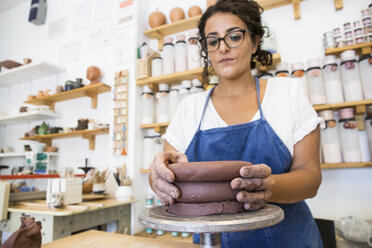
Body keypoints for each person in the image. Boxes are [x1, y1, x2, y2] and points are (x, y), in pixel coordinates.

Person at [149, 0, 323, 247]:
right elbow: (166, 172)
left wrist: (269, 186)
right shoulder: (190, 108)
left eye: (234, 36)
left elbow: (311, 177)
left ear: (254, 42)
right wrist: (157, 176)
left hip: (289, 239)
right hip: (214, 242)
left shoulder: (287, 94)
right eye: (213, 41)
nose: (223, 48)